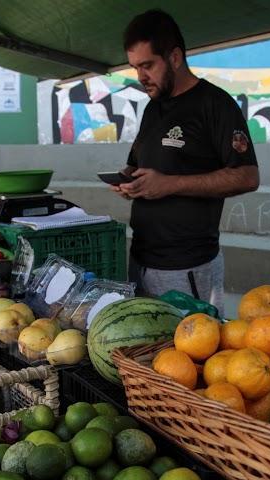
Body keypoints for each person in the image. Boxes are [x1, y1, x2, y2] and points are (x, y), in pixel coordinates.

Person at [110, 9, 259, 316]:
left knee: (188, 359)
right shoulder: (153, 108)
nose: (140, 77)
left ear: (175, 58)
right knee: (147, 356)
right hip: (141, 259)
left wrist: (169, 185)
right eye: (135, 67)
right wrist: (129, 181)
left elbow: (247, 176)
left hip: (188, 268)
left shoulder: (215, 105)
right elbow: (139, 165)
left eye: (148, 65)